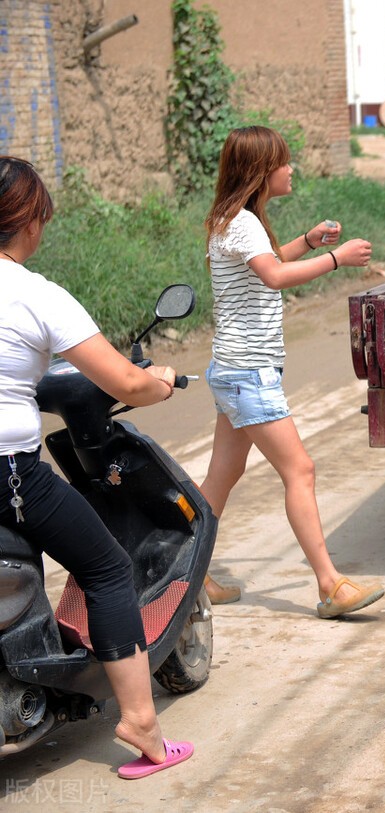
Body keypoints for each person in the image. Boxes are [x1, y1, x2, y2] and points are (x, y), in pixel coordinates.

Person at [0, 156, 193, 779]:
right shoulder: (36, 294)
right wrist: (158, 382)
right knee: (107, 566)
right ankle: (140, 721)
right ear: (29, 220)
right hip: (10, 474)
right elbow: (126, 383)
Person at [199, 126, 384, 619]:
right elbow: (275, 275)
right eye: (283, 162)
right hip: (247, 372)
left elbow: (271, 262)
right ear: (262, 171)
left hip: (235, 369)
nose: (290, 169)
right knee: (299, 469)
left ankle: (184, 576)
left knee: (223, 475)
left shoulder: (233, 219)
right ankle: (330, 585)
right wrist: (335, 259)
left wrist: (307, 240)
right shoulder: (242, 223)